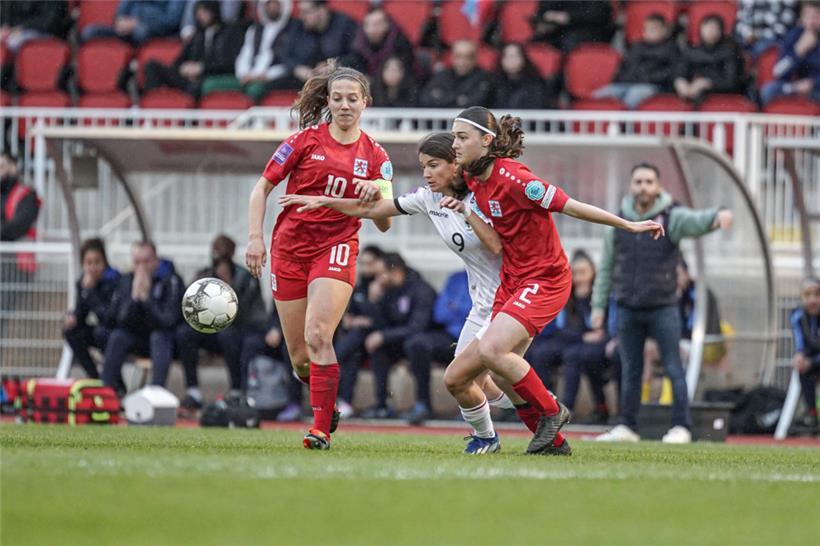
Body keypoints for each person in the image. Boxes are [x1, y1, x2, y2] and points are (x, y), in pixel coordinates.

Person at [279, 131, 580, 454]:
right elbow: (375, 210)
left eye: (433, 165)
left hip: (508, 298)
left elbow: (498, 245)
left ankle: (512, 426)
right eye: (423, 166)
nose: (426, 173)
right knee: (475, 381)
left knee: (462, 377)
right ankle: (546, 435)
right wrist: (325, 201)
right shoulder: (428, 198)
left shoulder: (481, 196)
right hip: (480, 304)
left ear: (455, 165)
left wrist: (467, 212)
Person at [442, 106, 665, 454]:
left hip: (545, 278)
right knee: (499, 370)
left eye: (461, 137)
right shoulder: (473, 177)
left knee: (492, 350)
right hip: (513, 280)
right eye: (453, 137)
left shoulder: (516, 179)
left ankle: (552, 410)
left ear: (486, 141)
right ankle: (553, 444)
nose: (454, 144)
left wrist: (627, 224)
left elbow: (571, 206)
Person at [245, 61, 393, 450]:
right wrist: (255, 239)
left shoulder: (376, 156)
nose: (345, 105)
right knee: (300, 357)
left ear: (365, 102)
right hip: (289, 250)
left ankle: (320, 429)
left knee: (318, 334)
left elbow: (385, 223)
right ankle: (326, 402)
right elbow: (261, 189)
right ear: (328, 101)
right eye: (338, 98)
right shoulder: (303, 141)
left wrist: (374, 196)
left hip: (336, 247)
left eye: (352, 99)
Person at [591, 163, 733, 444]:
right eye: (638, 181)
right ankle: (627, 426)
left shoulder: (672, 217)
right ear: (631, 186)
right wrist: (598, 306)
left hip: (663, 307)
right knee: (630, 370)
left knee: (673, 368)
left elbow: (697, 221)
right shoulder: (617, 222)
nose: (643, 187)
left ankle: (681, 426)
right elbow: (605, 267)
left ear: (658, 186)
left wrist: (718, 215)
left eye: (649, 181)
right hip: (628, 306)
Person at [176, 235, 268, 409]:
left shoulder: (246, 277)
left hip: (237, 333)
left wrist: (229, 288)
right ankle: (193, 391)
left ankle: (236, 390)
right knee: (184, 333)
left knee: (228, 335)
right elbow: (190, 308)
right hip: (211, 333)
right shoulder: (205, 276)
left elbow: (249, 315)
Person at [357, 252, 439, 422]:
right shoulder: (389, 291)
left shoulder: (421, 289)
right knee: (379, 347)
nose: (377, 279)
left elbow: (418, 327)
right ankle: (382, 405)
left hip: (430, 340)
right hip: (403, 341)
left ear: (395, 272)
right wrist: (373, 302)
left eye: (380, 274)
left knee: (416, 344)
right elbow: (380, 325)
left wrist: (383, 336)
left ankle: (423, 404)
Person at [101, 241, 184, 396]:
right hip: (137, 340)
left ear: (156, 260)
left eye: (146, 261)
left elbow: (169, 320)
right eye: (137, 262)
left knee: (159, 337)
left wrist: (148, 300)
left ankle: (156, 393)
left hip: (165, 343)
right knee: (118, 336)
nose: (142, 267)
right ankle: (106, 390)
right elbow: (118, 320)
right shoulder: (126, 280)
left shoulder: (170, 280)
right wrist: (134, 299)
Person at [143, 0, 244, 98]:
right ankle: (152, 101)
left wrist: (201, 69)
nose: (200, 16)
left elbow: (228, 64)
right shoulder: (197, 36)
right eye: (198, 13)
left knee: (196, 87)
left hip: (211, 76)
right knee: (152, 66)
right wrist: (184, 68)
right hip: (189, 78)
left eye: (204, 12)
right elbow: (179, 61)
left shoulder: (230, 33)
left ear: (213, 11)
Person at [335, 244, 383, 417]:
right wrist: (349, 320)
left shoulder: (384, 286)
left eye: (370, 263)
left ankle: (325, 363)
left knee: (357, 335)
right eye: (362, 263)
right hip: (357, 342)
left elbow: (386, 319)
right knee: (352, 354)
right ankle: (345, 402)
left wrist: (372, 306)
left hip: (379, 339)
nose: (365, 268)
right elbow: (350, 315)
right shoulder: (359, 286)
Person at [593, 14, 679, 109]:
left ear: (664, 30)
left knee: (633, 96)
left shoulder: (672, 49)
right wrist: (622, 78)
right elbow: (624, 68)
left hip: (652, 85)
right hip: (625, 83)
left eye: (653, 28)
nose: (649, 31)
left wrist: (647, 78)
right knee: (599, 95)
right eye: (646, 28)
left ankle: (624, 119)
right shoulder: (636, 47)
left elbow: (671, 72)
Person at [62, 238, 121, 379]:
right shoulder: (83, 283)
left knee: (102, 333)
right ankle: (94, 377)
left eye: (97, 262)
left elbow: (109, 318)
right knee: (71, 332)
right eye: (89, 263)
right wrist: (72, 318)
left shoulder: (115, 280)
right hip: (101, 332)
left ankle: (114, 381)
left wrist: (90, 293)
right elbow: (81, 313)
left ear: (104, 262)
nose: (93, 268)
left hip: (117, 333)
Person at [269, 0, 357, 90]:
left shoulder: (345, 25)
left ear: (322, 10)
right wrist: (297, 68)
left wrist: (335, 65)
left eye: (305, 12)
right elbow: (283, 52)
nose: (301, 16)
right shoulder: (299, 25)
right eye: (300, 11)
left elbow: (356, 56)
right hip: (306, 79)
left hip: (339, 79)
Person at [0, 152, 40, 316]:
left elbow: (18, 226)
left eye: (2, 167)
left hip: (17, 264)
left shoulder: (26, 195)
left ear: (13, 167)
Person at [233, 0, 296, 103]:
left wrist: (267, 75)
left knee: (254, 90)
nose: (272, 8)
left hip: (273, 78)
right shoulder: (254, 30)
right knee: (219, 85)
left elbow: (288, 63)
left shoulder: (292, 31)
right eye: (269, 5)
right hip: (248, 76)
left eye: (275, 5)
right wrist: (244, 73)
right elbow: (245, 54)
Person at [760, 1, 820, 106]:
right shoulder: (794, 35)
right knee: (768, 90)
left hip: (816, 88)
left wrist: (813, 83)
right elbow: (778, 72)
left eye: (815, 16)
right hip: (794, 87)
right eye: (807, 16)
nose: (811, 21)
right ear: (801, 18)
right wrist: (798, 51)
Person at [674, 15, 744, 104]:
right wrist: (679, 81)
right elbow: (679, 71)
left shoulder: (730, 52)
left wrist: (707, 83)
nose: (710, 31)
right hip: (692, 94)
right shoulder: (692, 51)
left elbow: (731, 83)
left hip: (723, 95)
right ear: (701, 29)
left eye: (714, 28)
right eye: (707, 27)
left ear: (721, 31)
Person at [346, 6, 415, 79]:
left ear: (387, 24)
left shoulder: (400, 44)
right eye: (368, 24)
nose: (372, 29)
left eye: (377, 24)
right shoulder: (356, 46)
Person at [418, 40, 491, 109]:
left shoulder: (484, 78)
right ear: (452, 57)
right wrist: (458, 99)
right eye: (458, 56)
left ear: (475, 58)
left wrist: (443, 97)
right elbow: (426, 100)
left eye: (468, 57)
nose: (462, 62)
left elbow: (475, 104)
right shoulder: (442, 76)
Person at [81, 0, 186, 45]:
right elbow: (119, 14)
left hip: (154, 31)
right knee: (89, 32)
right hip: (125, 29)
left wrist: (136, 23)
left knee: (140, 32)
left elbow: (171, 21)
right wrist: (121, 22)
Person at [790, 277, 820, 430]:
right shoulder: (797, 316)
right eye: (807, 295)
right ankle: (812, 414)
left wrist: (812, 362)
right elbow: (800, 343)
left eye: (817, 294)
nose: (812, 299)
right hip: (813, 362)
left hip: (816, 360)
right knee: (803, 370)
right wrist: (800, 356)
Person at [531, 0, 614, 52]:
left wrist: (568, 17)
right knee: (535, 44)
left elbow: (598, 12)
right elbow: (543, 10)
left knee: (568, 42)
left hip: (586, 29)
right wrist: (543, 21)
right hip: (555, 29)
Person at [491, 43, 550, 110]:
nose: (511, 60)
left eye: (514, 56)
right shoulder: (493, 85)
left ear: (523, 59)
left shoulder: (535, 85)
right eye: (506, 56)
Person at [0, 0, 69, 53]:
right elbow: (8, 15)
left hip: (45, 31)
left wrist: (23, 27)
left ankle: (14, 67)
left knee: (13, 42)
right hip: (18, 30)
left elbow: (48, 21)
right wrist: (6, 26)